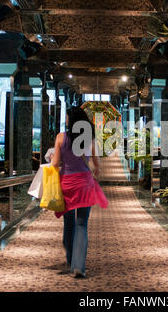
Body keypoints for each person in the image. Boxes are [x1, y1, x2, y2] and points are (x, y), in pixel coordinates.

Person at [51, 106, 109, 278]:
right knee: (82, 224)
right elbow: (97, 164)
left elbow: (55, 163)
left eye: (67, 117)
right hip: (85, 184)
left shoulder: (61, 137)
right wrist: (96, 170)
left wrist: (52, 159)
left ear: (71, 119)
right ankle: (79, 266)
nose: (66, 120)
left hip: (67, 185)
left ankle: (70, 259)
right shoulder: (89, 138)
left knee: (69, 224)